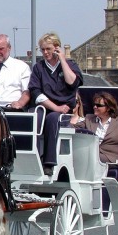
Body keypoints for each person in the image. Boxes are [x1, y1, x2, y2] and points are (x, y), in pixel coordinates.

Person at [28, 32, 83, 176]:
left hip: (65, 110)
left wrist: (63, 60)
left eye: (48, 49)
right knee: (33, 116)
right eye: (42, 49)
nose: (45, 53)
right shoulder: (38, 68)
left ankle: (49, 162)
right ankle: (30, 155)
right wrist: (54, 107)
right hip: (47, 106)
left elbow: (72, 82)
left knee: (53, 119)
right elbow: (35, 92)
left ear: (56, 48)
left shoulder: (71, 65)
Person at [73, 91, 118, 167]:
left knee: (87, 156)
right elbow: (74, 128)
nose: (95, 107)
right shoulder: (89, 119)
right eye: (94, 105)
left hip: (109, 158)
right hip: (89, 155)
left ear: (108, 108)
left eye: (98, 105)